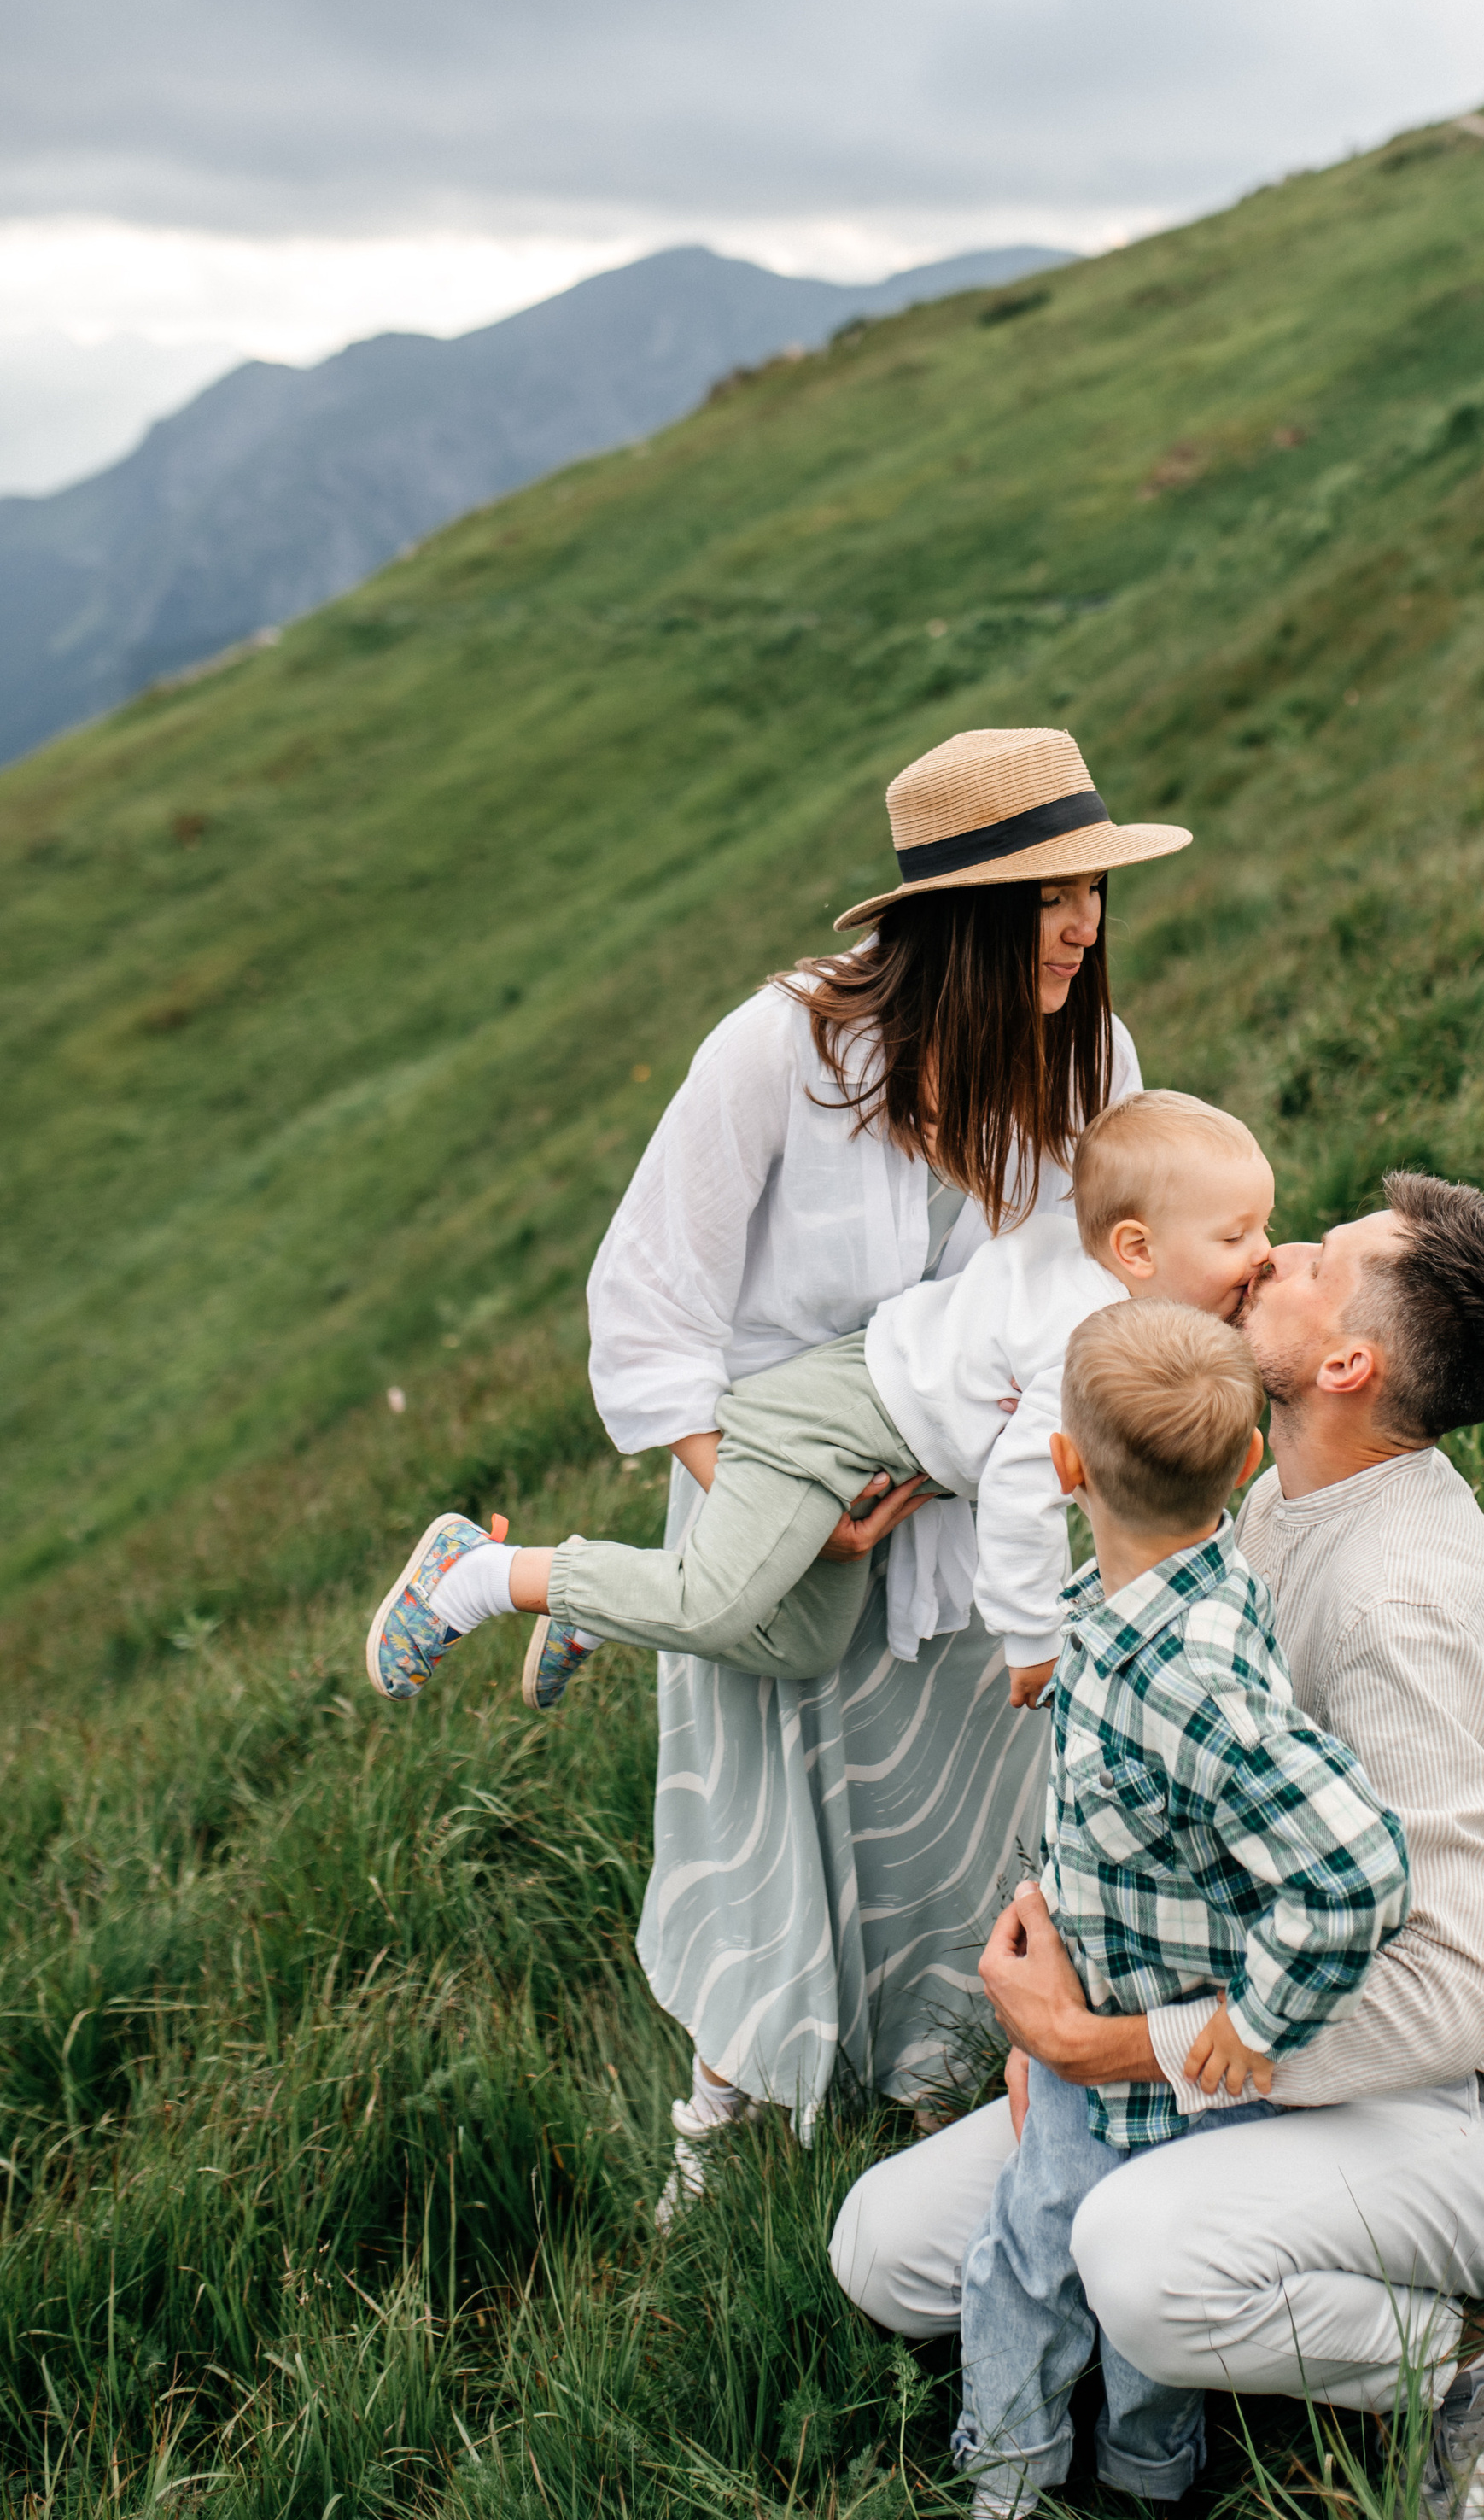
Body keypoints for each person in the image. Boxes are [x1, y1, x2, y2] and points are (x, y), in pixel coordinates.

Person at [424, 725, 1190, 2205]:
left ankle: (937, 2118)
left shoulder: (1095, 1057)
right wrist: (767, 1494)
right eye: (1048, 899)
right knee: (781, 1836)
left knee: (964, 1825)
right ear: (956, 916)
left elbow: (1100, 1288)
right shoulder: (779, 1050)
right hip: (773, 1485)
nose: (1085, 925)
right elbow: (654, 1299)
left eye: (1092, 889)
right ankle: (712, 2151)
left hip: (981, 1518)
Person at [830, 1171, 1484, 2520]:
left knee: (1136, 2255)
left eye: (1325, 1261)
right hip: (1259, 2036)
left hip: (1468, 2111)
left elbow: (1441, 2001)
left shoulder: (1401, 1602)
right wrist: (1071, 1943)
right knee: (884, 2248)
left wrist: (1106, 2046)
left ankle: (1474, 2368)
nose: (1286, 1253)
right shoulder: (1257, 1500)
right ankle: (1174, 2332)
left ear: (1345, 1363)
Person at [361, 1089, 1274, 1705]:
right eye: (1239, 1236)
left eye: (1265, 1229)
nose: (1263, 1252)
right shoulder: (1085, 1348)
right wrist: (1032, 1641)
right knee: (712, 1603)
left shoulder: (1104, 1277)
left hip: (869, 1438)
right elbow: (1019, 1495)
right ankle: (474, 1573)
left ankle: (589, 1599)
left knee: (801, 1646)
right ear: (1135, 1253)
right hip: (827, 1421)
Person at [952, 1301, 1411, 2520]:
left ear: (1065, 1467)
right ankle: (1145, 2490)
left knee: (1033, 2264)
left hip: (1146, 2072)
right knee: (1091, 2280)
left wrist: (1257, 2017)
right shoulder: (1172, 1598)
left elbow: (1359, 1862)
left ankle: (1015, 2498)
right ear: (1246, 1462)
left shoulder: (1181, 1671)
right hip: (1112, 2024)